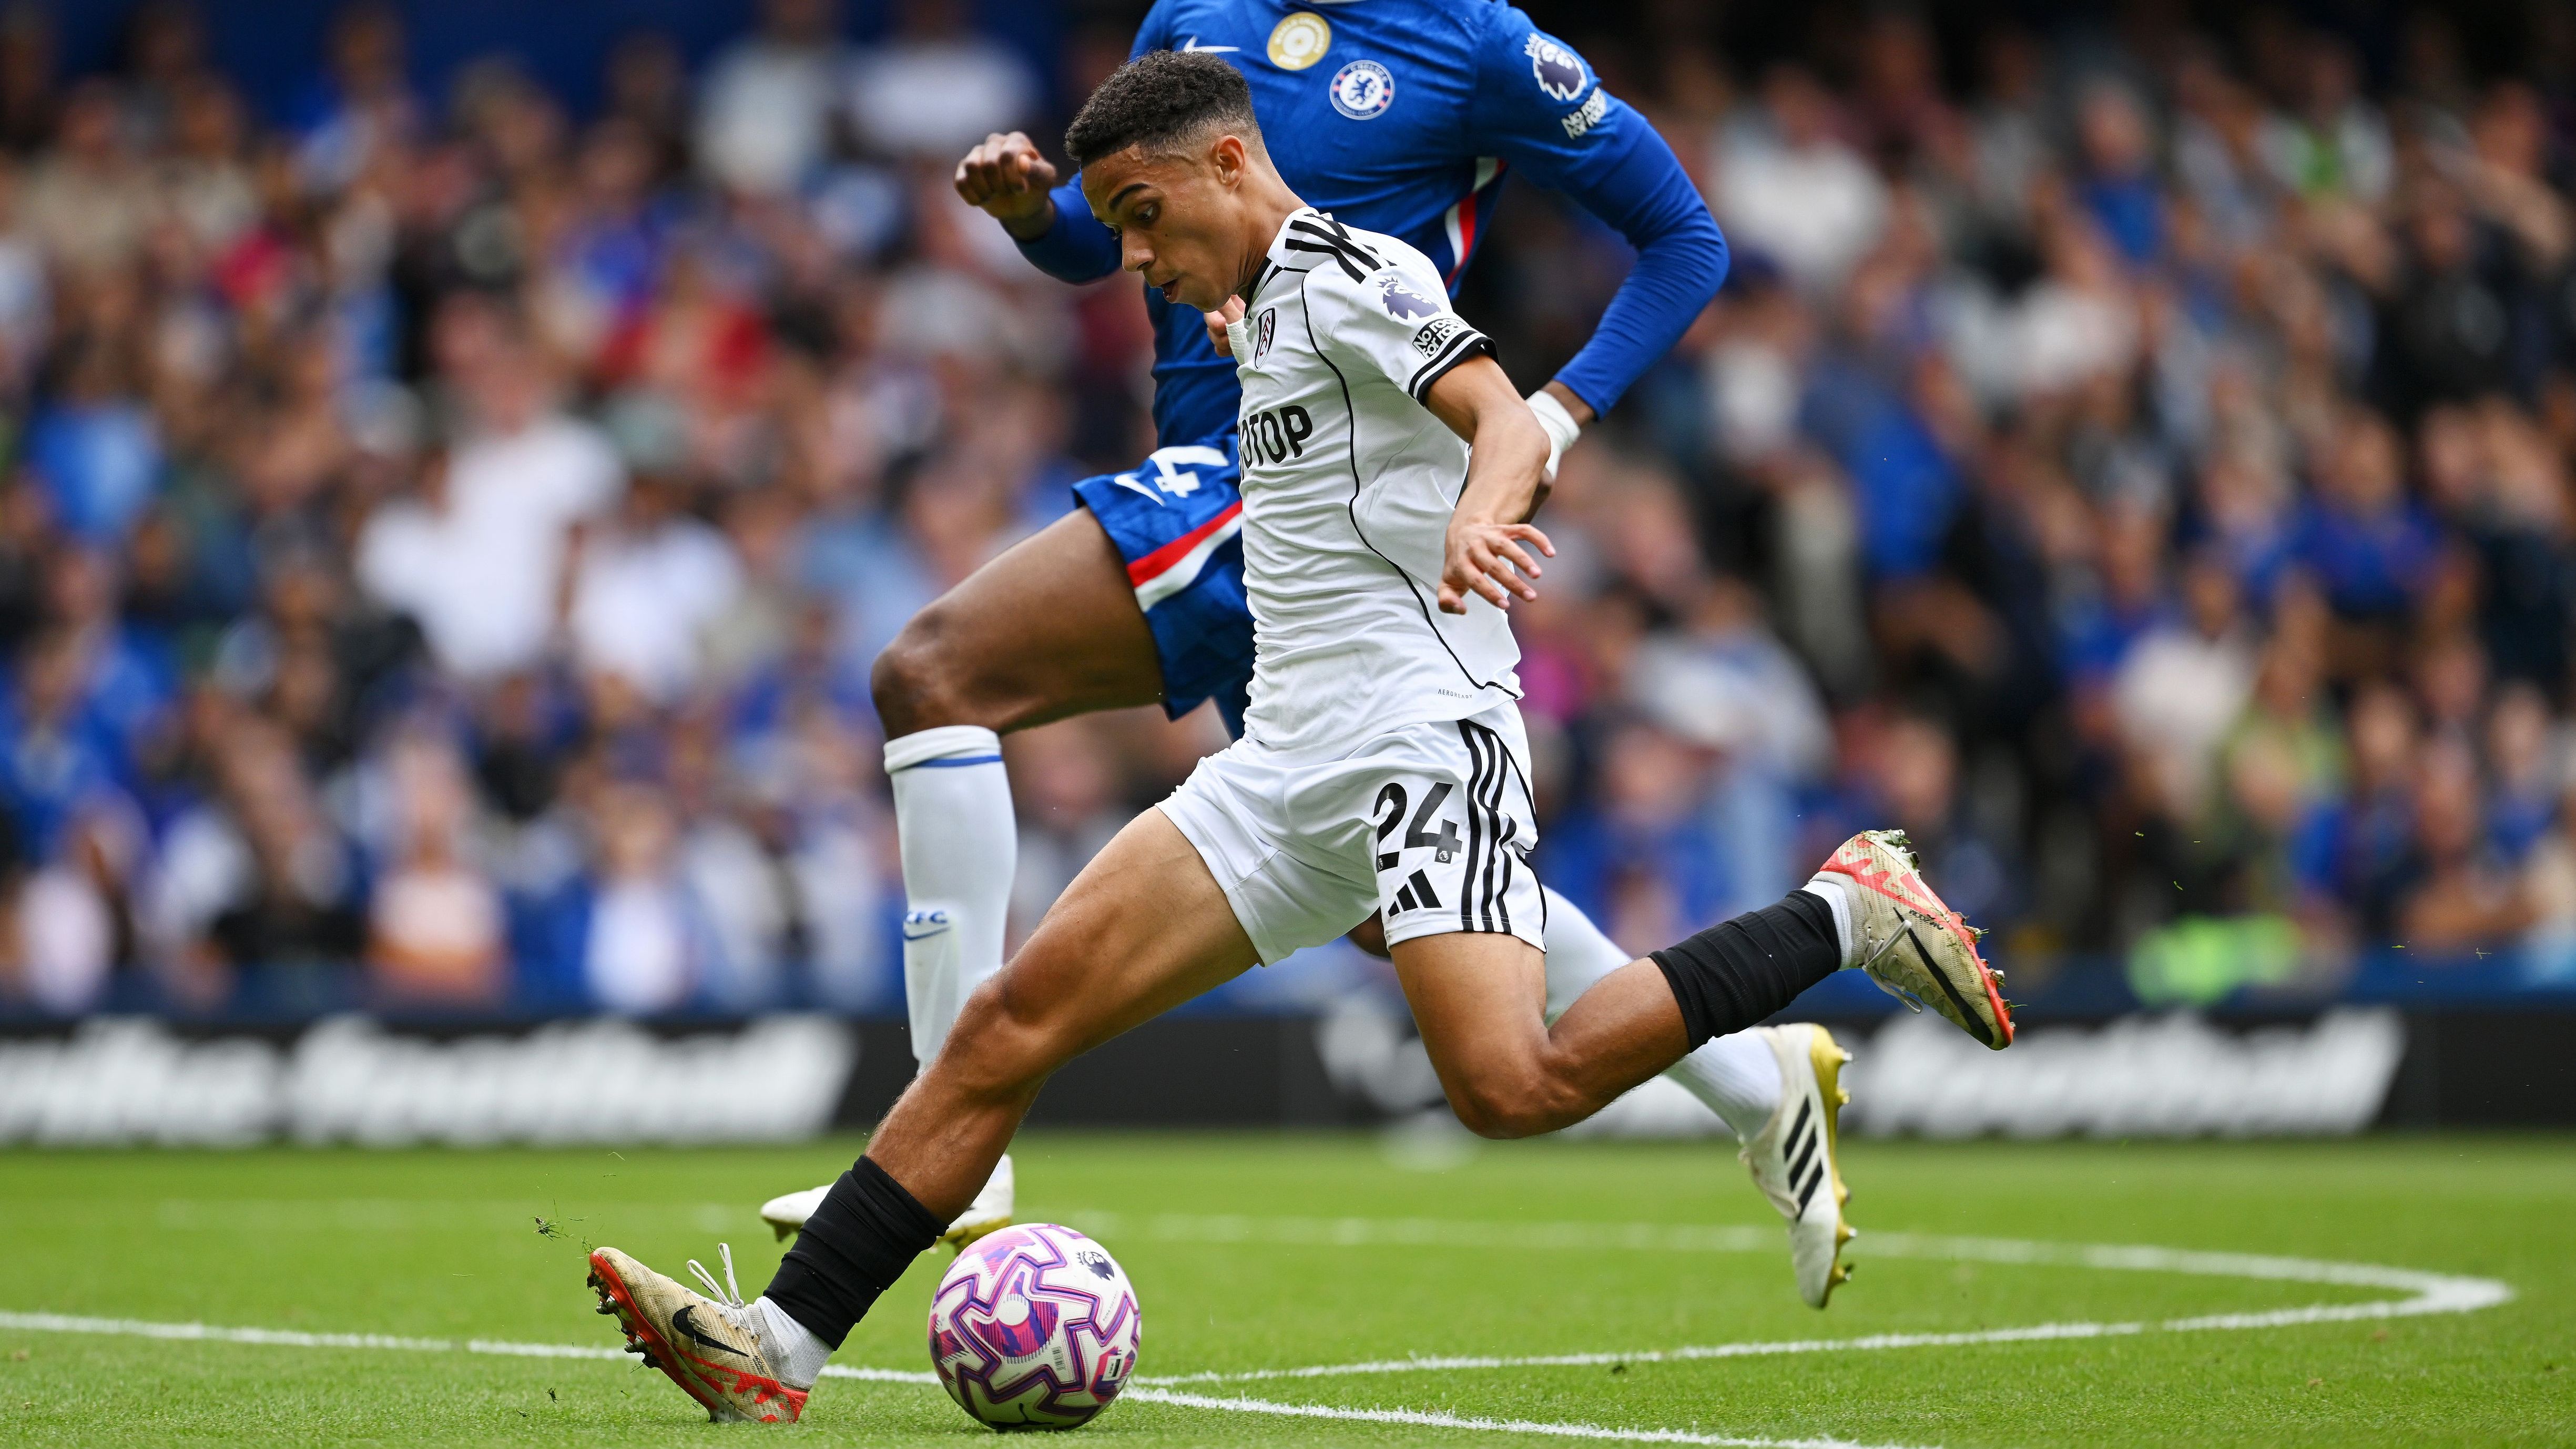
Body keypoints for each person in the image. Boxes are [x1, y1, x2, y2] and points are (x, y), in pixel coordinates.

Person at [585, 53, 2012, 1424]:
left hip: (1420, 743)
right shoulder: (1260, 307)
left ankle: (1842, 911)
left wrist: (1480, 512)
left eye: (1142, 216)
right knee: (1008, 1024)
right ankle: (774, 1345)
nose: (1130, 256)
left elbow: (1501, 420)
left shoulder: (1350, 278)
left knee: (1509, 1084)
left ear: (1227, 163)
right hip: (1278, 772)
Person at [760, 0, 1870, 1311]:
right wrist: (1031, 217)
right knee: (1383, 903)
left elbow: (1682, 237)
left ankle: (956, 1134)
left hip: (1274, 475)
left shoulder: (1473, 44)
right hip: (1255, 487)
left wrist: (1546, 425)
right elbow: (1112, 233)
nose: (1143, 249)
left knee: (935, 671)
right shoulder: (1192, 21)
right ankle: (1755, 1080)